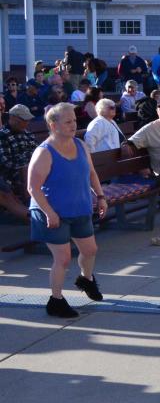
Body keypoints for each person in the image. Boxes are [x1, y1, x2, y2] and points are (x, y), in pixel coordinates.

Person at [27, 102, 108, 318]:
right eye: (68, 121)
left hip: (79, 208)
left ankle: (86, 279)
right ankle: (56, 301)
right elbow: (33, 187)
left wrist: (100, 197)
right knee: (62, 258)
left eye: (74, 120)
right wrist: (49, 212)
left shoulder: (81, 145)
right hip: (52, 213)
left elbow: (91, 173)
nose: (74, 125)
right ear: (53, 125)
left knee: (90, 250)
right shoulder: (44, 152)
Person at [0, 104, 38, 209]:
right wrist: (27, 164)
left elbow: (38, 151)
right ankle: (31, 204)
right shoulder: (3, 135)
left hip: (34, 168)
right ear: (12, 118)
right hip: (13, 174)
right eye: (23, 120)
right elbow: (7, 163)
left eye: (28, 120)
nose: (26, 123)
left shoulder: (27, 133)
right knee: (26, 170)